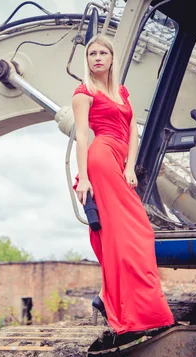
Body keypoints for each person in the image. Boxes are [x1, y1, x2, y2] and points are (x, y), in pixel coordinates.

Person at [71, 35, 174, 335]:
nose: (98, 57)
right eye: (92, 53)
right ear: (87, 60)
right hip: (101, 159)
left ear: (113, 58)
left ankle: (109, 298)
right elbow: (81, 136)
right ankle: (130, 309)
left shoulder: (121, 92)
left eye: (103, 52)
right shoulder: (83, 93)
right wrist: (84, 178)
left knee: (128, 234)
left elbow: (132, 130)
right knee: (133, 231)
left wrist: (130, 166)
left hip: (119, 160)